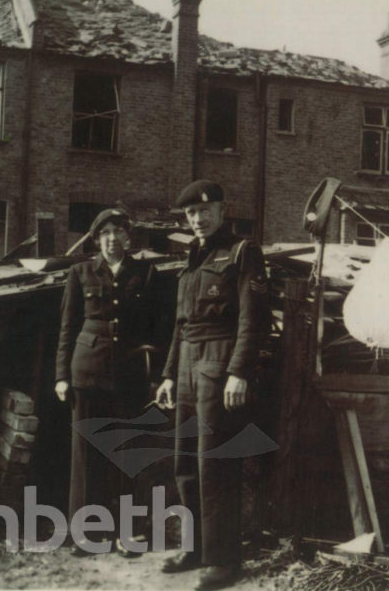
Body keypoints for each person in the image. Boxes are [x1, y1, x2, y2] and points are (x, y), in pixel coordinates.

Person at [155, 180, 269, 589]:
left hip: (219, 363)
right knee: (185, 460)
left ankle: (224, 559)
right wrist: (169, 373)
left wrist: (239, 371)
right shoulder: (191, 258)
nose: (198, 219)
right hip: (187, 364)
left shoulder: (242, 252)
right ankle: (196, 547)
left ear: (222, 210)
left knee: (215, 461)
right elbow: (180, 325)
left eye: (205, 211)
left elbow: (251, 319)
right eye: (190, 214)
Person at [55, 207, 166, 556]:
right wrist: (61, 376)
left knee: (128, 455)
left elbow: (158, 328)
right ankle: (88, 535)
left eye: (118, 231)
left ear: (129, 237)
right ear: (96, 238)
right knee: (86, 456)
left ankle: (128, 533)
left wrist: (160, 374)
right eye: (104, 233)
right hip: (86, 373)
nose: (112, 239)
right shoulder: (80, 272)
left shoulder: (146, 273)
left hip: (130, 375)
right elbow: (67, 328)